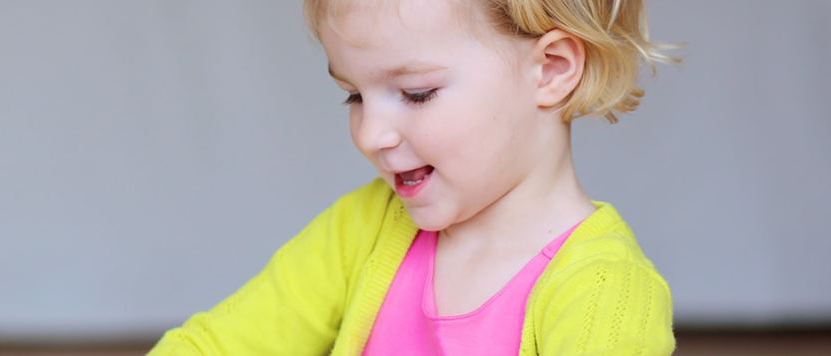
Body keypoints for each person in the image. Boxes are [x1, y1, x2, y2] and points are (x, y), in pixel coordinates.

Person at [150, 0, 677, 354]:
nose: (370, 134)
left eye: (416, 93)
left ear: (553, 69)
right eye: (354, 94)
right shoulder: (363, 228)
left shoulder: (605, 294)